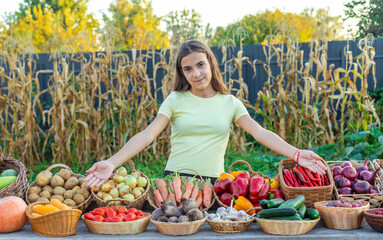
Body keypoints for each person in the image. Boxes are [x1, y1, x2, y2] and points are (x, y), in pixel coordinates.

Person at [84, 40, 326, 188]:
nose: (196, 73)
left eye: (200, 65)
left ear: (210, 63)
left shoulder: (230, 102)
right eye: (188, 69)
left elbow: (259, 132)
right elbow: (147, 135)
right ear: (182, 73)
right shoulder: (175, 99)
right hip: (176, 179)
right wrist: (111, 163)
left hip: (214, 182)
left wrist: (296, 153)